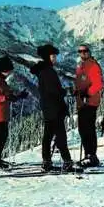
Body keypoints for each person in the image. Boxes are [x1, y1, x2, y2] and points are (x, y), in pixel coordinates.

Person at [30, 44, 73, 172]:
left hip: (48, 107)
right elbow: (54, 91)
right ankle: (67, 162)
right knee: (60, 136)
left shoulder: (44, 70)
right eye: (53, 56)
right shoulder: (48, 71)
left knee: (48, 135)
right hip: (55, 108)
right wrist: (67, 91)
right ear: (47, 57)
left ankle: (47, 161)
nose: (55, 59)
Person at [0, 56, 28, 169]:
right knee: (0, 136)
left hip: (3, 113)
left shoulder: (2, 80)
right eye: (8, 69)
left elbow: (8, 95)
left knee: (2, 136)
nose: (10, 72)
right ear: (2, 70)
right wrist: (5, 98)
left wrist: (18, 96)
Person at [74, 44, 104, 167]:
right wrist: (76, 91)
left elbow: (98, 84)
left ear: (89, 52)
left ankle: (91, 156)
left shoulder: (93, 65)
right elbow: (79, 82)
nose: (82, 53)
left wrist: (87, 93)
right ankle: (89, 155)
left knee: (88, 129)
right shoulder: (80, 66)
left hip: (90, 102)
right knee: (83, 129)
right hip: (82, 102)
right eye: (80, 51)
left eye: (85, 51)